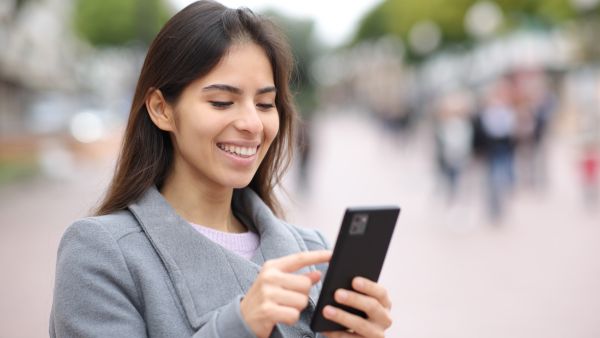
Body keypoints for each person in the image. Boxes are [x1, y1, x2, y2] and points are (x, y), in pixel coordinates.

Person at [49, 1, 392, 337]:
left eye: (265, 103)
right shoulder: (101, 255)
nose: (251, 123)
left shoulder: (311, 256)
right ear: (160, 108)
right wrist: (239, 326)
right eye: (221, 102)